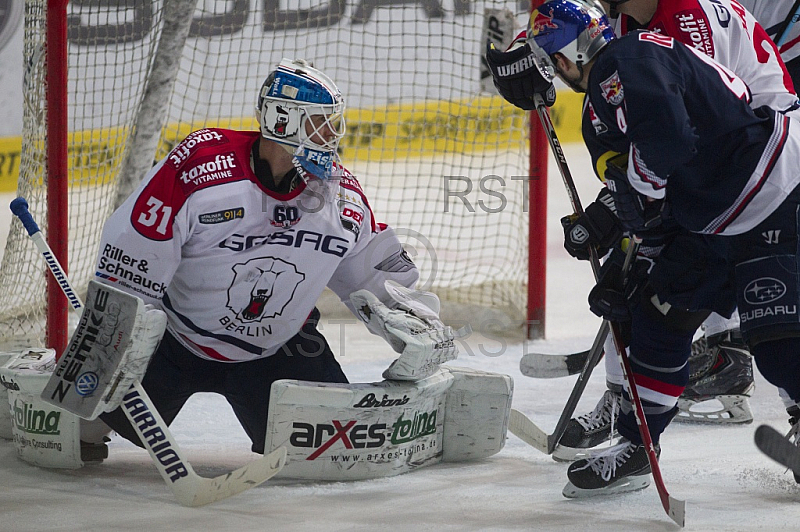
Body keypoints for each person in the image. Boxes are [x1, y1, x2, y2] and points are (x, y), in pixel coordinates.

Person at [494, 0, 800, 496]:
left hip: (772, 187)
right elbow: (643, 180)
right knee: (655, 310)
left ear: (566, 57)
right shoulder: (607, 83)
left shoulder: (629, 59)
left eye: (551, 60)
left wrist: (623, 212)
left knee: (778, 339)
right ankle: (638, 446)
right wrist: (631, 245)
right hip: (712, 210)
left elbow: (669, 147)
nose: (553, 71)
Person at [93, 58, 459, 455]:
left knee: (337, 452)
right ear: (283, 120)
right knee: (79, 431)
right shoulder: (201, 168)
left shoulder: (339, 195)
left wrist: (411, 321)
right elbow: (136, 247)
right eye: (321, 123)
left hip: (281, 350)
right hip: (172, 340)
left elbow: (371, 274)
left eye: (334, 123)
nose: (332, 135)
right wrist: (120, 335)